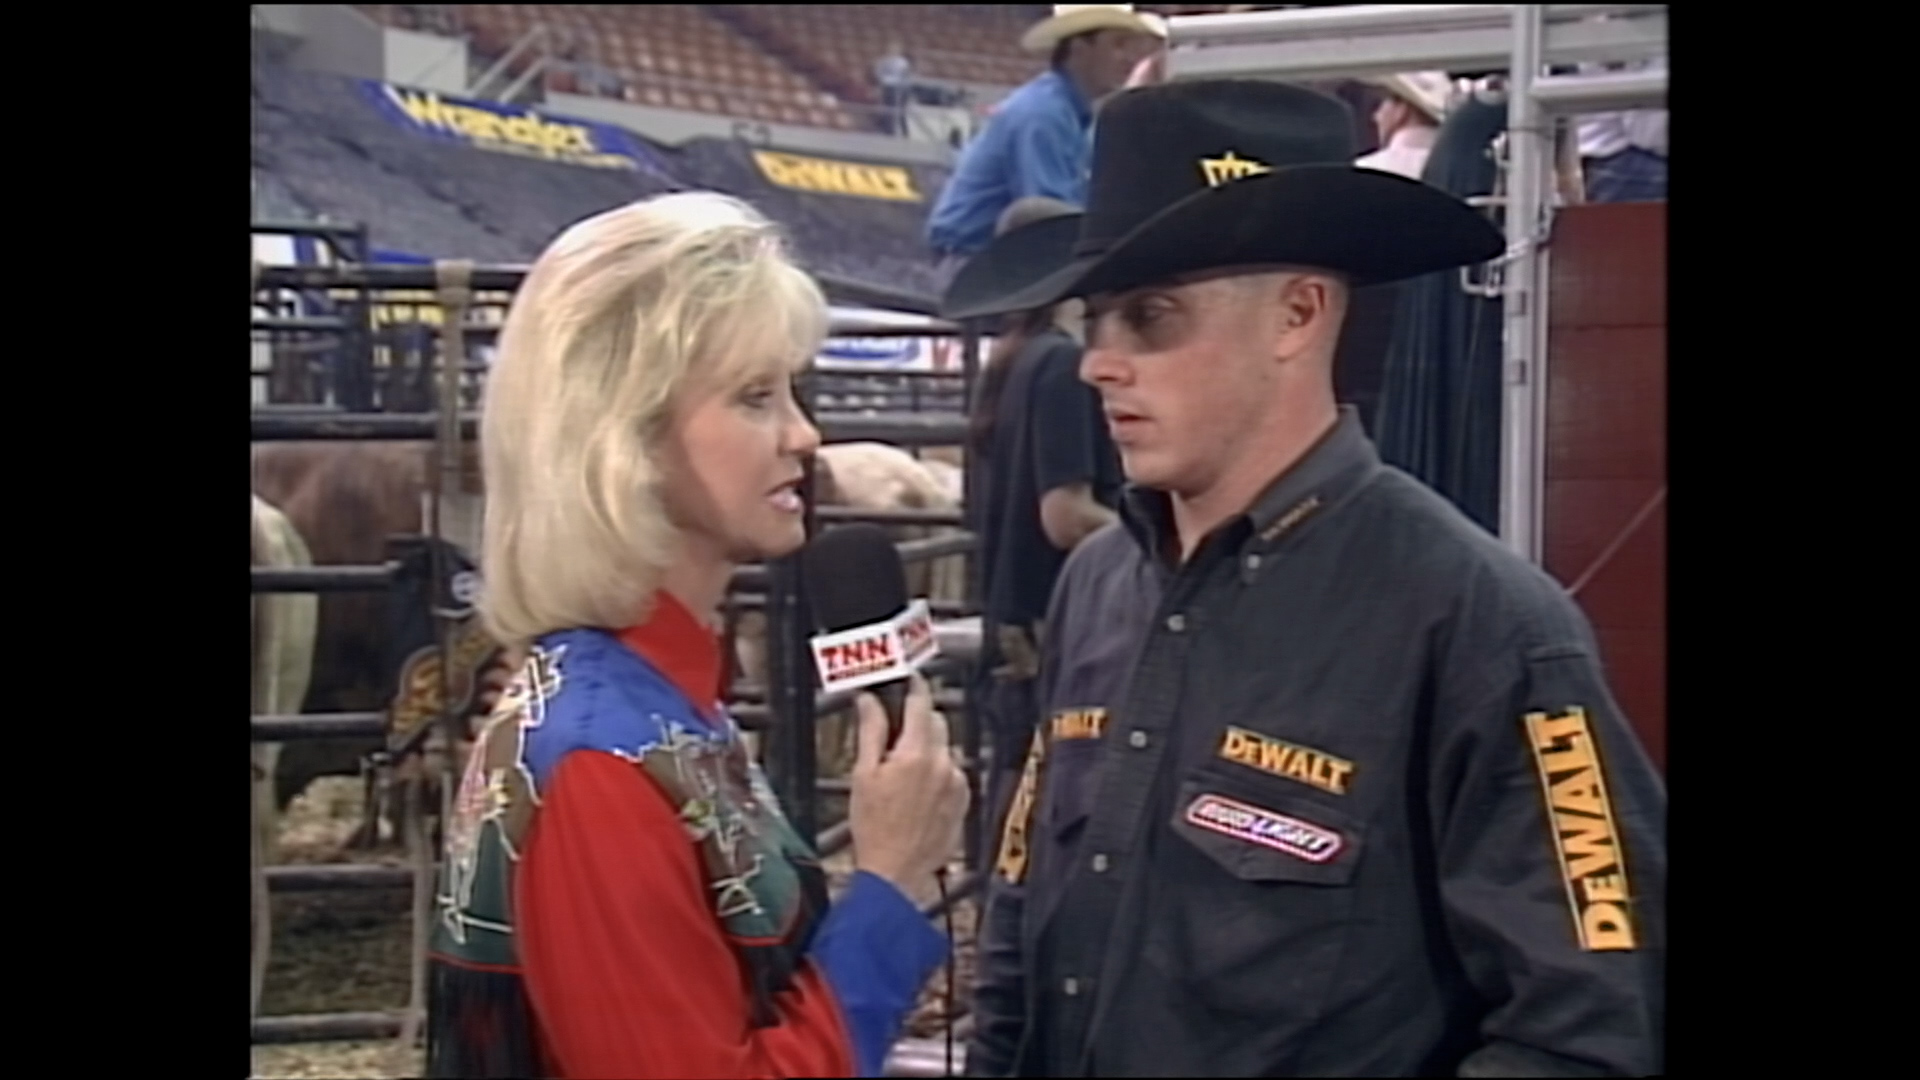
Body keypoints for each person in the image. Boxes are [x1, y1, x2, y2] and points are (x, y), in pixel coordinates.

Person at [961, 80, 1666, 1077]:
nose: (1097, 365)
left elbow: (1590, 1025)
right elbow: (1022, 912)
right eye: (1095, 319)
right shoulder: (1097, 583)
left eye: (1151, 317)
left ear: (1297, 314)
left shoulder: (1485, 628)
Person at [424, 191, 970, 1079]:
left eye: (792, 391)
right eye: (755, 398)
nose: (805, 434)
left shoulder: (655, 699)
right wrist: (891, 882)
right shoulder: (598, 763)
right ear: (625, 436)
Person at [940, 195, 1123, 867]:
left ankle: (1000, 903)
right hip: (1052, 619)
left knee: (1017, 773)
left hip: (1010, 611)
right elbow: (1065, 514)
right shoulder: (1062, 368)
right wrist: (1152, 535)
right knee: (1046, 781)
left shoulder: (1010, 364)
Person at [924, 5, 1165, 282]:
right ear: (1079, 49)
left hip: (991, 257)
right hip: (973, 265)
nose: (1131, 58)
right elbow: (1051, 220)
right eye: (1118, 44)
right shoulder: (1042, 116)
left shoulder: (1069, 113)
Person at [1354, 71, 1450, 179]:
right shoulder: (1454, 171)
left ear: (1401, 108)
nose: (1376, 116)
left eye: (1382, 102)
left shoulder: (1364, 170)